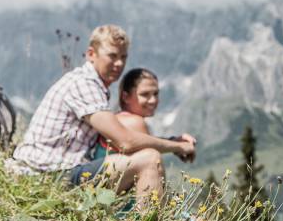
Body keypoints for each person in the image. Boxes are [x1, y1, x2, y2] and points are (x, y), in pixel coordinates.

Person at [12, 25, 196, 208]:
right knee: (149, 159)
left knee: (142, 158)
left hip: (55, 170)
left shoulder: (90, 84)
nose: (119, 64)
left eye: (123, 57)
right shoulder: (84, 85)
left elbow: (121, 135)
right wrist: (178, 146)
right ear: (91, 54)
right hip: (47, 175)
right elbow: (126, 141)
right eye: (112, 56)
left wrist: (172, 140)